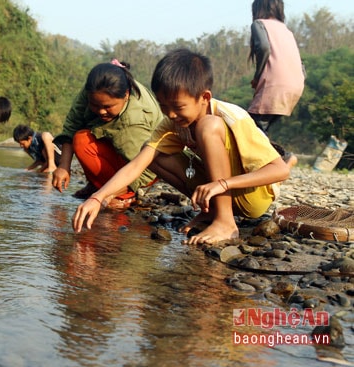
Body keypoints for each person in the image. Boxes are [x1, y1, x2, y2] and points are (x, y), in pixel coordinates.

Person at [72, 49, 292, 245]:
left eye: (178, 107)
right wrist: (98, 198)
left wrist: (223, 184)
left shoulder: (231, 117)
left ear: (204, 97)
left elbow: (281, 170)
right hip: (219, 190)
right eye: (164, 107)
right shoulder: (172, 124)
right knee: (152, 154)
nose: (171, 114)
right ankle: (213, 211)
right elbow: (137, 165)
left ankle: (225, 222)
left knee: (208, 126)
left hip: (251, 198)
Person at [52, 59, 163, 209]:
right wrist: (64, 166)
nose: (101, 111)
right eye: (95, 105)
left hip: (147, 165)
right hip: (115, 146)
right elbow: (73, 124)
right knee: (81, 139)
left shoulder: (134, 121)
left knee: (110, 198)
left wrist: (107, 194)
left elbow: (146, 169)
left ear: (126, 95)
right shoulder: (94, 89)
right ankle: (98, 184)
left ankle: (125, 195)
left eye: (108, 106)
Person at [247, 0, 304, 164]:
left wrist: (258, 77)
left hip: (274, 85)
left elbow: (263, 47)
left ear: (257, 9)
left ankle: (284, 158)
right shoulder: (286, 30)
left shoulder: (259, 24)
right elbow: (300, 63)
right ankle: (274, 163)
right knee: (258, 130)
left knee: (248, 128)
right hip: (295, 85)